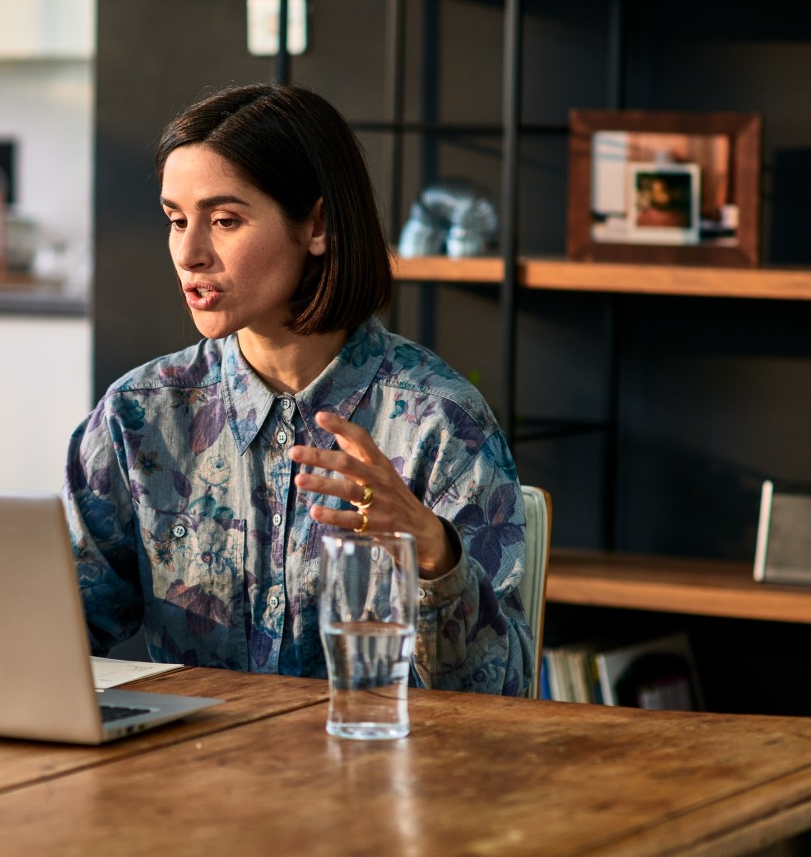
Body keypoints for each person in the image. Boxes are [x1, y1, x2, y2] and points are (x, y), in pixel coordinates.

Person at [64, 83, 531, 696]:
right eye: (176, 220)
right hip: (191, 780)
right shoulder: (138, 416)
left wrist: (435, 557)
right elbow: (57, 632)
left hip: (373, 776)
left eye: (224, 220)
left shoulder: (438, 423)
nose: (189, 252)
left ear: (316, 224)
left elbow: (507, 693)